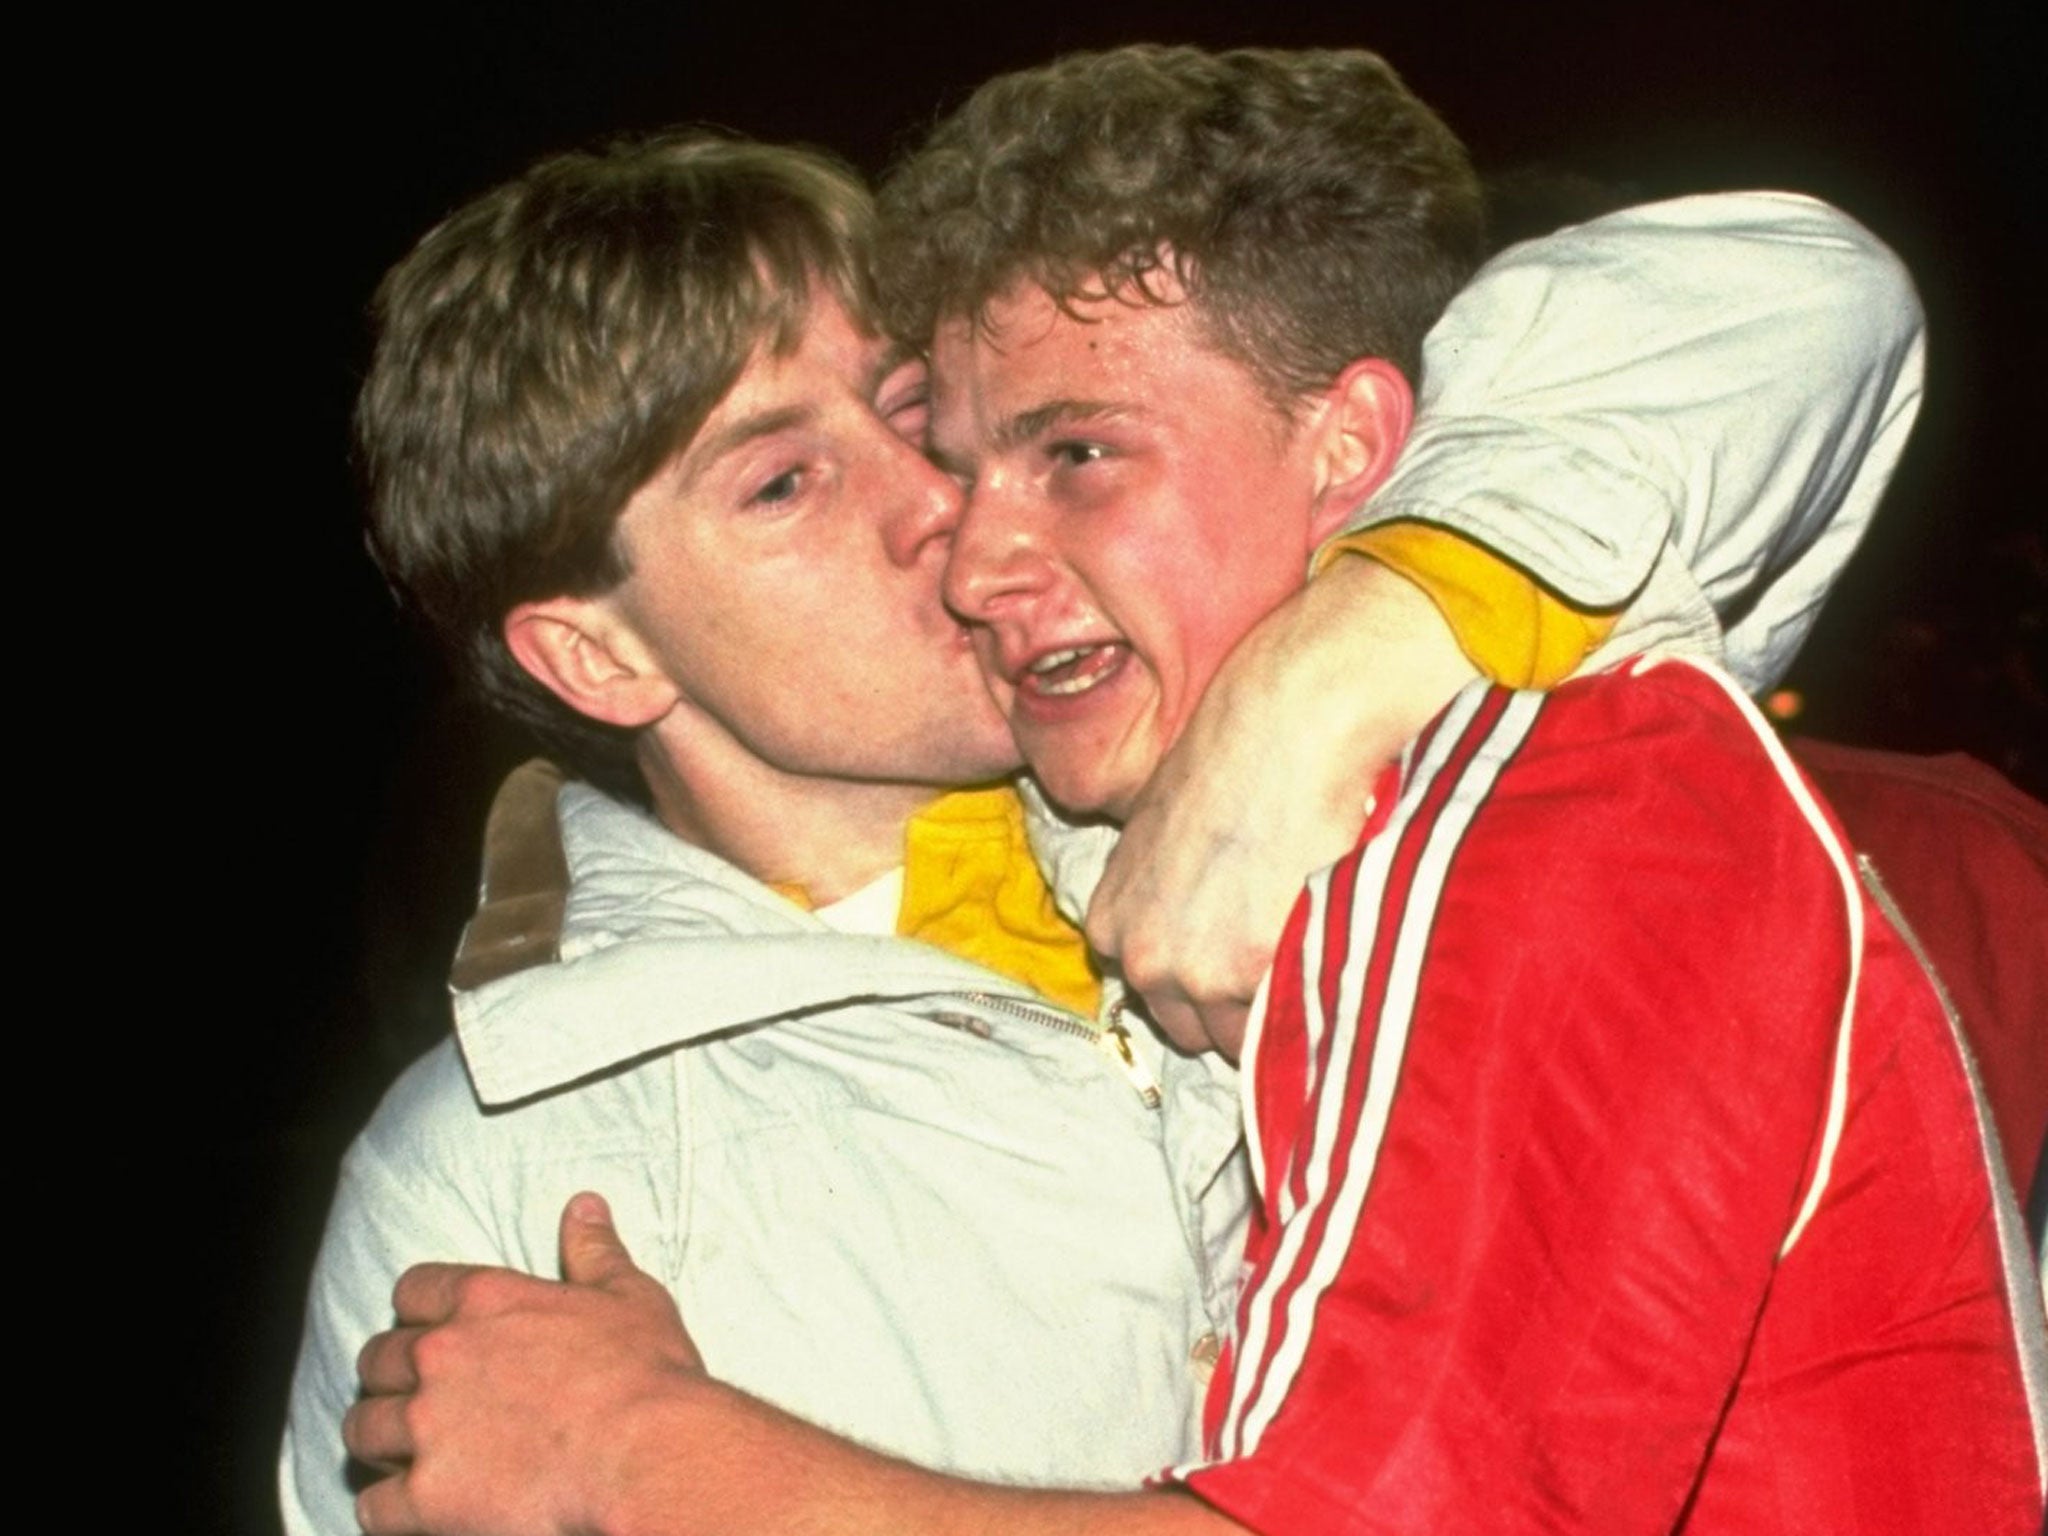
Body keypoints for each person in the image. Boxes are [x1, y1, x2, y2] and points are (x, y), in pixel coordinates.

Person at [341, 46, 2040, 1536]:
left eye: (923, 423)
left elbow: (1790, 289)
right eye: (786, 479)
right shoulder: (508, 1148)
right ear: (601, 659)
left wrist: (1335, 665)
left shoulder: (1472, 795)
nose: (947, 519)